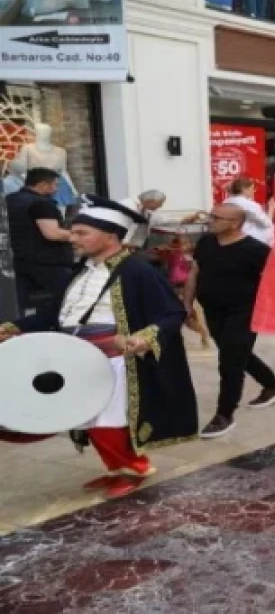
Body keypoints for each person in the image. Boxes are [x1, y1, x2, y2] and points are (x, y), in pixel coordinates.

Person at [0, 196, 199, 498]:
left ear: (110, 236)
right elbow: (55, 314)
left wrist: (145, 336)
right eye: (73, 232)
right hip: (78, 356)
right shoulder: (82, 271)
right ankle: (116, 469)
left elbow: (173, 312)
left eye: (81, 233)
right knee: (88, 418)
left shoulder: (138, 270)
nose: (73, 239)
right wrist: (12, 327)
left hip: (115, 359)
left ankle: (135, 468)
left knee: (108, 420)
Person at [185, 203, 275, 439]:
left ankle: (224, 414)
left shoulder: (255, 249)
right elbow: (195, 272)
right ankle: (273, 386)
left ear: (234, 223)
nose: (209, 220)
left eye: (216, 217)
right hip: (213, 311)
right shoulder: (206, 242)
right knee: (237, 352)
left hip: (243, 313)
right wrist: (187, 303)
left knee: (230, 362)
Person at [6, 167, 73, 315]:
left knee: (20, 305)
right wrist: (76, 235)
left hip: (17, 261)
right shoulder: (41, 204)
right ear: (43, 185)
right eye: (55, 184)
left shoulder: (9, 200)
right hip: (48, 261)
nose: (56, 189)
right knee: (64, 299)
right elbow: (52, 233)